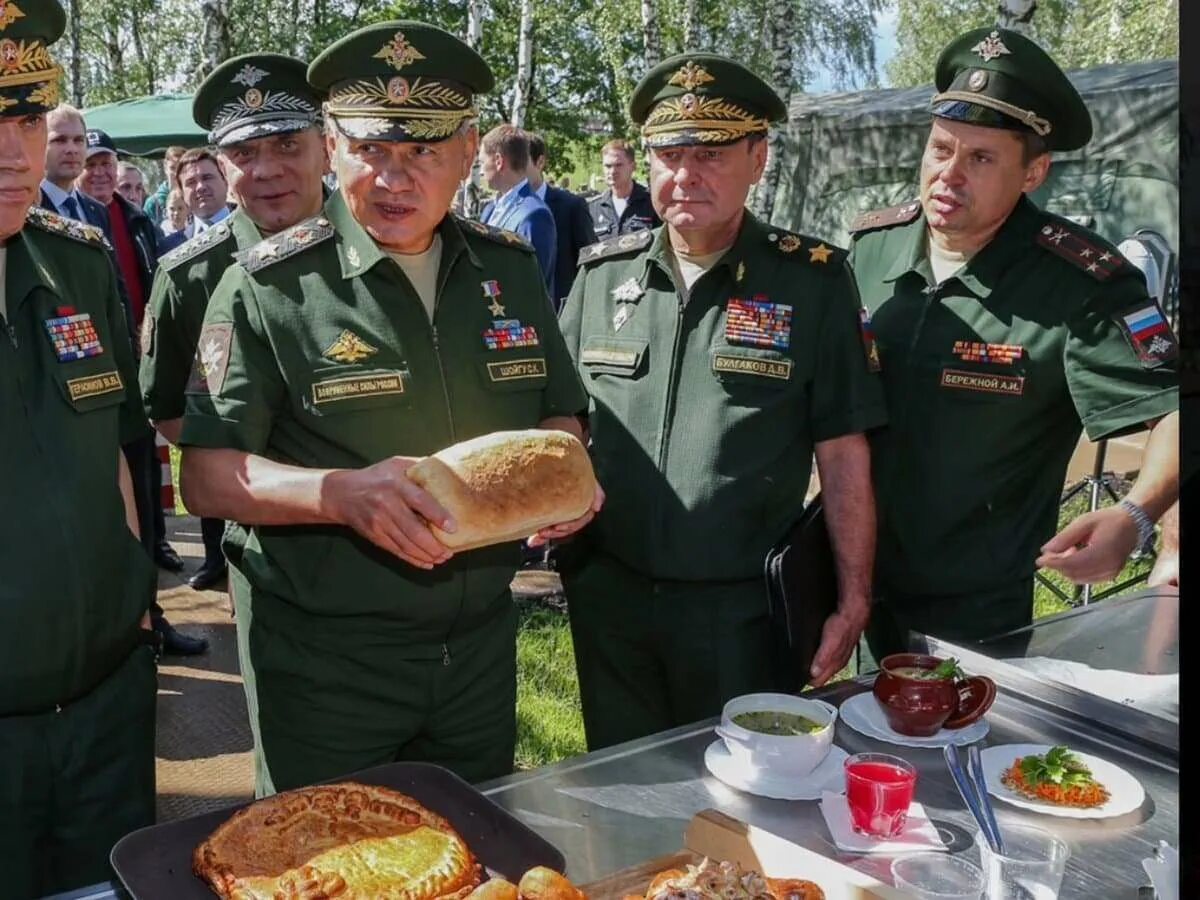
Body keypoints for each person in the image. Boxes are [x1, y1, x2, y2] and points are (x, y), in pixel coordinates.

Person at [177, 21, 598, 795]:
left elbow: (559, 414)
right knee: (326, 863)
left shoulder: (507, 270)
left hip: (476, 653)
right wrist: (340, 495)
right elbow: (205, 476)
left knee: (475, 854)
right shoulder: (269, 287)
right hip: (327, 663)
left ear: (470, 151)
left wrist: (563, 473)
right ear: (334, 148)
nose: (394, 178)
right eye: (371, 150)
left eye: (423, 152)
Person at [557, 53, 887, 751]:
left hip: (740, 614)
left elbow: (843, 449)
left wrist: (853, 598)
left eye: (710, 154)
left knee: (743, 806)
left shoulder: (813, 283)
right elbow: (561, 420)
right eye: (670, 154)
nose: (686, 175)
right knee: (619, 790)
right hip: (608, 602)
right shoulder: (600, 277)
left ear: (757, 158)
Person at [847, 27, 1179, 660]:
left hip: (972, 613)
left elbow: (1172, 408)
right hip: (847, 585)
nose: (948, 174)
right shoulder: (871, 248)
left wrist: (1134, 518)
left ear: (1034, 172)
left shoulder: (1080, 282)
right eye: (940, 148)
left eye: (981, 158)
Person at [0, 3, 157, 893]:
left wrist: (136, 604)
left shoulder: (79, 262)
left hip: (106, 709)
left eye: (25, 120)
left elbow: (114, 456)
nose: (13, 153)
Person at [141, 54, 329, 603]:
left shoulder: (392, 245)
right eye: (245, 152)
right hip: (270, 554)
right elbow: (168, 407)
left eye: (288, 145)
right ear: (223, 166)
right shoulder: (189, 276)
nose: (267, 169)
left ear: (326, 146)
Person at [478, 124, 557, 298]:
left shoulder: (534, 214)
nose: (481, 172)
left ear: (498, 161)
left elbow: (532, 284)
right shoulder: (490, 210)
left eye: (482, 162)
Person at [526, 132, 595, 309]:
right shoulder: (501, 209)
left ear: (540, 162)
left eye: (522, 162)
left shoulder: (571, 206)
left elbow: (591, 263)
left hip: (563, 313)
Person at [587, 138, 659, 240]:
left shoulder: (652, 202)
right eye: (608, 166)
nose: (612, 171)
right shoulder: (593, 208)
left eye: (618, 165)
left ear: (633, 167)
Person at [177, 147, 234, 237]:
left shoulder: (256, 225)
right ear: (182, 193)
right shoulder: (171, 247)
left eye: (207, 178)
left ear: (225, 181)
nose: (201, 187)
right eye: (191, 182)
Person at [144, 144, 185, 224]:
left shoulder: (192, 199)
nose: (176, 173)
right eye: (172, 168)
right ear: (165, 167)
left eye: (180, 168)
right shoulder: (153, 204)